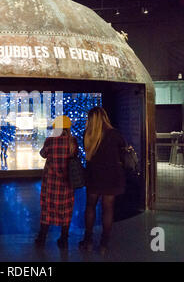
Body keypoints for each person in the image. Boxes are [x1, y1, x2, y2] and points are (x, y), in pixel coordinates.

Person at [80, 107, 127, 255]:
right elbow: (122, 152)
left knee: (90, 207)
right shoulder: (115, 134)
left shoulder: (87, 134)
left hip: (94, 176)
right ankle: (104, 245)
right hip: (112, 176)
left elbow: (88, 154)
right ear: (104, 117)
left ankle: (87, 241)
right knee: (108, 210)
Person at [35, 115, 78, 248]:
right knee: (66, 209)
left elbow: (42, 154)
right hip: (67, 183)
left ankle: (42, 238)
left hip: (51, 183)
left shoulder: (50, 141)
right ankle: (64, 239)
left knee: (47, 209)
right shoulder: (72, 142)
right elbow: (75, 157)